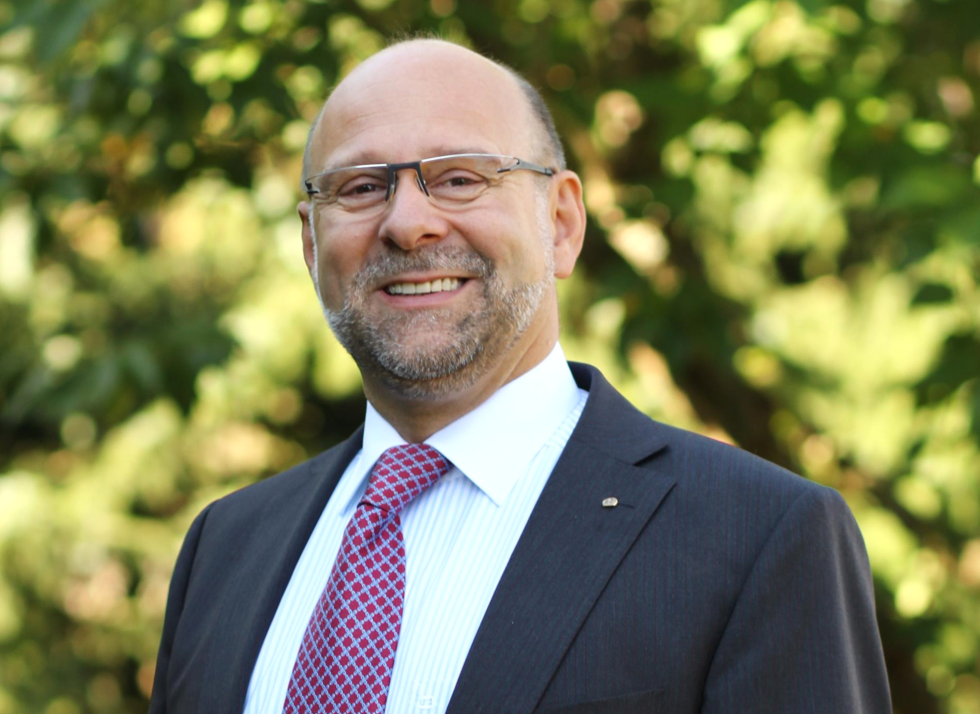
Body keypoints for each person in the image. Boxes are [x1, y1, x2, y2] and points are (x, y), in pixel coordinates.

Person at [149, 39, 893, 714]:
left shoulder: (758, 537)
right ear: (312, 247)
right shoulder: (225, 548)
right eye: (361, 188)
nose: (407, 223)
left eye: (459, 177)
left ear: (561, 223)